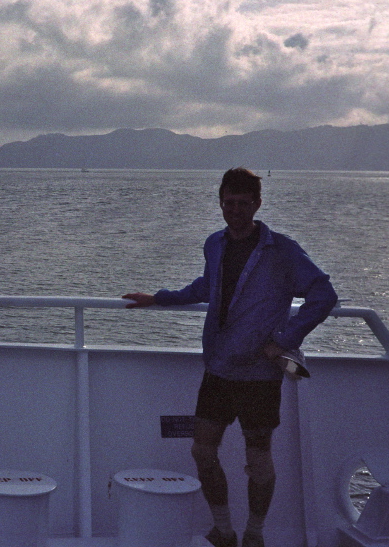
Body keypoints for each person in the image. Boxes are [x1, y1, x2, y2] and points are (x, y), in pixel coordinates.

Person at [122, 167, 337, 547]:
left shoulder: (282, 250)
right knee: (202, 451)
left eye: (243, 203)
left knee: (258, 462)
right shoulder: (215, 244)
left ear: (257, 204)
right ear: (220, 203)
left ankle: (254, 535)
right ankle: (224, 531)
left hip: (259, 374)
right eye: (229, 203)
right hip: (218, 368)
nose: (235, 210)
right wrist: (158, 297)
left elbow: (322, 295)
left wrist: (285, 339)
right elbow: (208, 286)